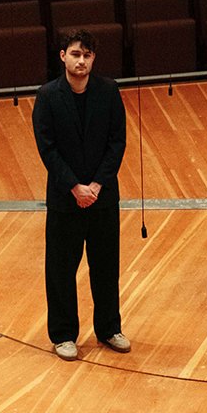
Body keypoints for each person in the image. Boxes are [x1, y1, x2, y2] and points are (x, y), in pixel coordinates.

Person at [32, 29, 129, 362]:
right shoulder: (47, 96)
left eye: (87, 55)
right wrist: (75, 186)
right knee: (61, 268)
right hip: (65, 198)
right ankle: (63, 335)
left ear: (93, 59)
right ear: (63, 56)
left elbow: (117, 142)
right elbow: (48, 148)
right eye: (75, 54)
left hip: (102, 197)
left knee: (106, 266)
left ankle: (108, 328)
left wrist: (97, 186)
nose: (81, 60)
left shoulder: (109, 91)